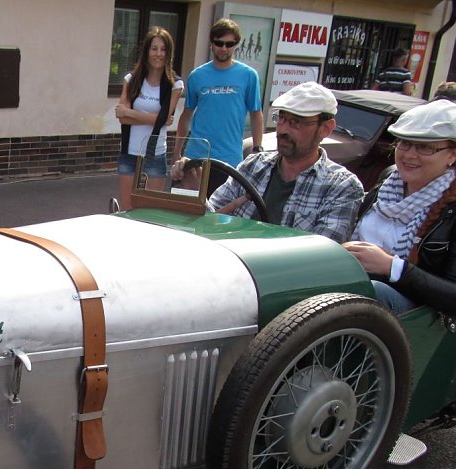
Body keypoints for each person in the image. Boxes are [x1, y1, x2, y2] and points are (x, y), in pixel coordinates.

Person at [203, 82, 363, 243]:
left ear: (326, 128)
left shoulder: (342, 186)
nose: (283, 130)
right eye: (281, 118)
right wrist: (193, 190)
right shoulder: (253, 165)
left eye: (296, 122)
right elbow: (208, 220)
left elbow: (320, 255)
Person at [344, 100, 456, 315]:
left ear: (452, 155)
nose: (409, 155)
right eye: (405, 143)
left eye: (425, 147)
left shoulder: (451, 206)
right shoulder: (388, 180)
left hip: (417, 314)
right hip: (351, 285)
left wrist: (392, 267)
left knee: (373, 292)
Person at [173, 18, 263, 172]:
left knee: (226, 198)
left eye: (229, 44)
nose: (223, 48)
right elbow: (187, 115)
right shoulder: (197, 75)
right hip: (196, 156)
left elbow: (256, 114)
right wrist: (177, 152)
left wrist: (257, 148)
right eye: (219, 43)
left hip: (230, 159)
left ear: (236, 45)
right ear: (211, 43)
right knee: (189, 196)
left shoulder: (249, 76)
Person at [114, 27, 184, 210]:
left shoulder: (175, 84)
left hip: (155, 153)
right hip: (129, 151)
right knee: (127, 210)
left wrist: (130, 113)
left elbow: (162, 119)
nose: (158, 54)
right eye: (154, 48)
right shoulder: (132, 79)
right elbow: (122, 118)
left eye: (163, 49)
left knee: (150, 210)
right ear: (146, 51)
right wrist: (156, 119)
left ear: (169, 53)